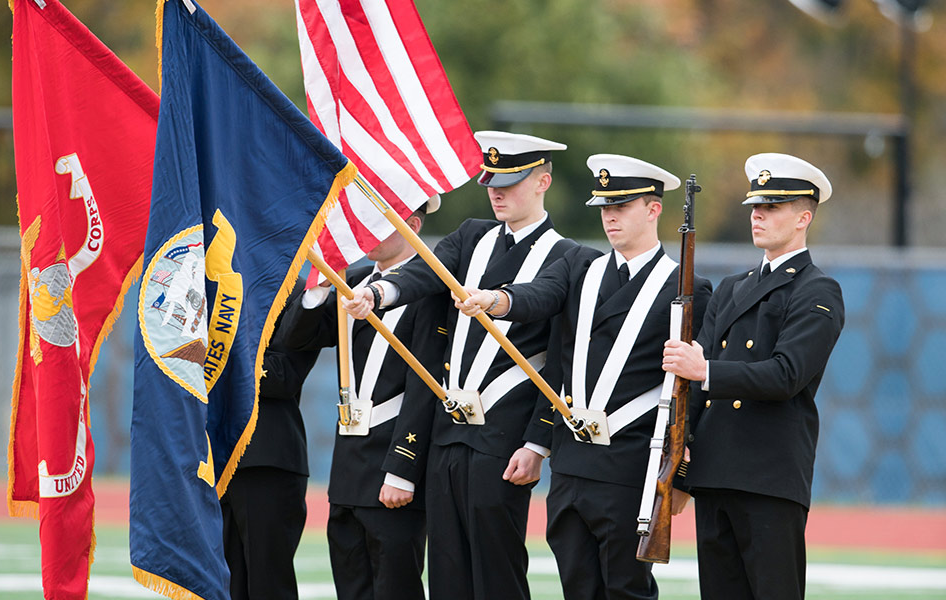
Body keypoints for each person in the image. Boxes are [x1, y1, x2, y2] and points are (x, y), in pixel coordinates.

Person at [457, 154, 712, 600]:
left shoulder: (686, 287)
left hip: (631, 465)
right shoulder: (581, 266)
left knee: (625, 589)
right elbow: (540, 295)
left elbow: (689, 394)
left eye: (622, 207)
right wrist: (499, 300)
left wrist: (681, 477)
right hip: (573, 463)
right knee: (577, 585)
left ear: (654, 210)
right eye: (604, 208)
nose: (609, 217)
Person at [344, 131, 578, 600]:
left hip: (504, 437)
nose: (497, 191)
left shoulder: (569, 255)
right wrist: (378, 293)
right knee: (448, 573)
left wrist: (537, 442)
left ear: (543, 182)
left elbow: (544, 308)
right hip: (448, 431)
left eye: (510, 182)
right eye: (492, 181)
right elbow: (423, 269)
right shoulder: (473, 235)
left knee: (496, 571)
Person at [663, 153, 845, 600]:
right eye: (755, 207)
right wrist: (681, 474)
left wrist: (705, 369)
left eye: (772, 207)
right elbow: (694, 394)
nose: (757, 215)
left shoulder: (817, 290)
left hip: (768, 477)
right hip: (714, 472)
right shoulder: (732, 287)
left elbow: (786, 375)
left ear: (803, 217)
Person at [278, 199, 446, 600]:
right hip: (349, 461)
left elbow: (424, 390)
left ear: (413, 225)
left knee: (394, 587)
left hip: (393, 458)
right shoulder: (349, 279)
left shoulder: (428, 290)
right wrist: (318, 287)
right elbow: (295, 339)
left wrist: (403, 471)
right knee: (351, 585)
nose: (367, 230)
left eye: (380, 222)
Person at [220, 278, 321, 600]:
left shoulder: (296, 292)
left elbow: (282, 376)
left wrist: (217, 352)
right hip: (212, 458)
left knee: (267, 586)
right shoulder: (213, 284)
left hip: (264, 458)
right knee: (219, 585)